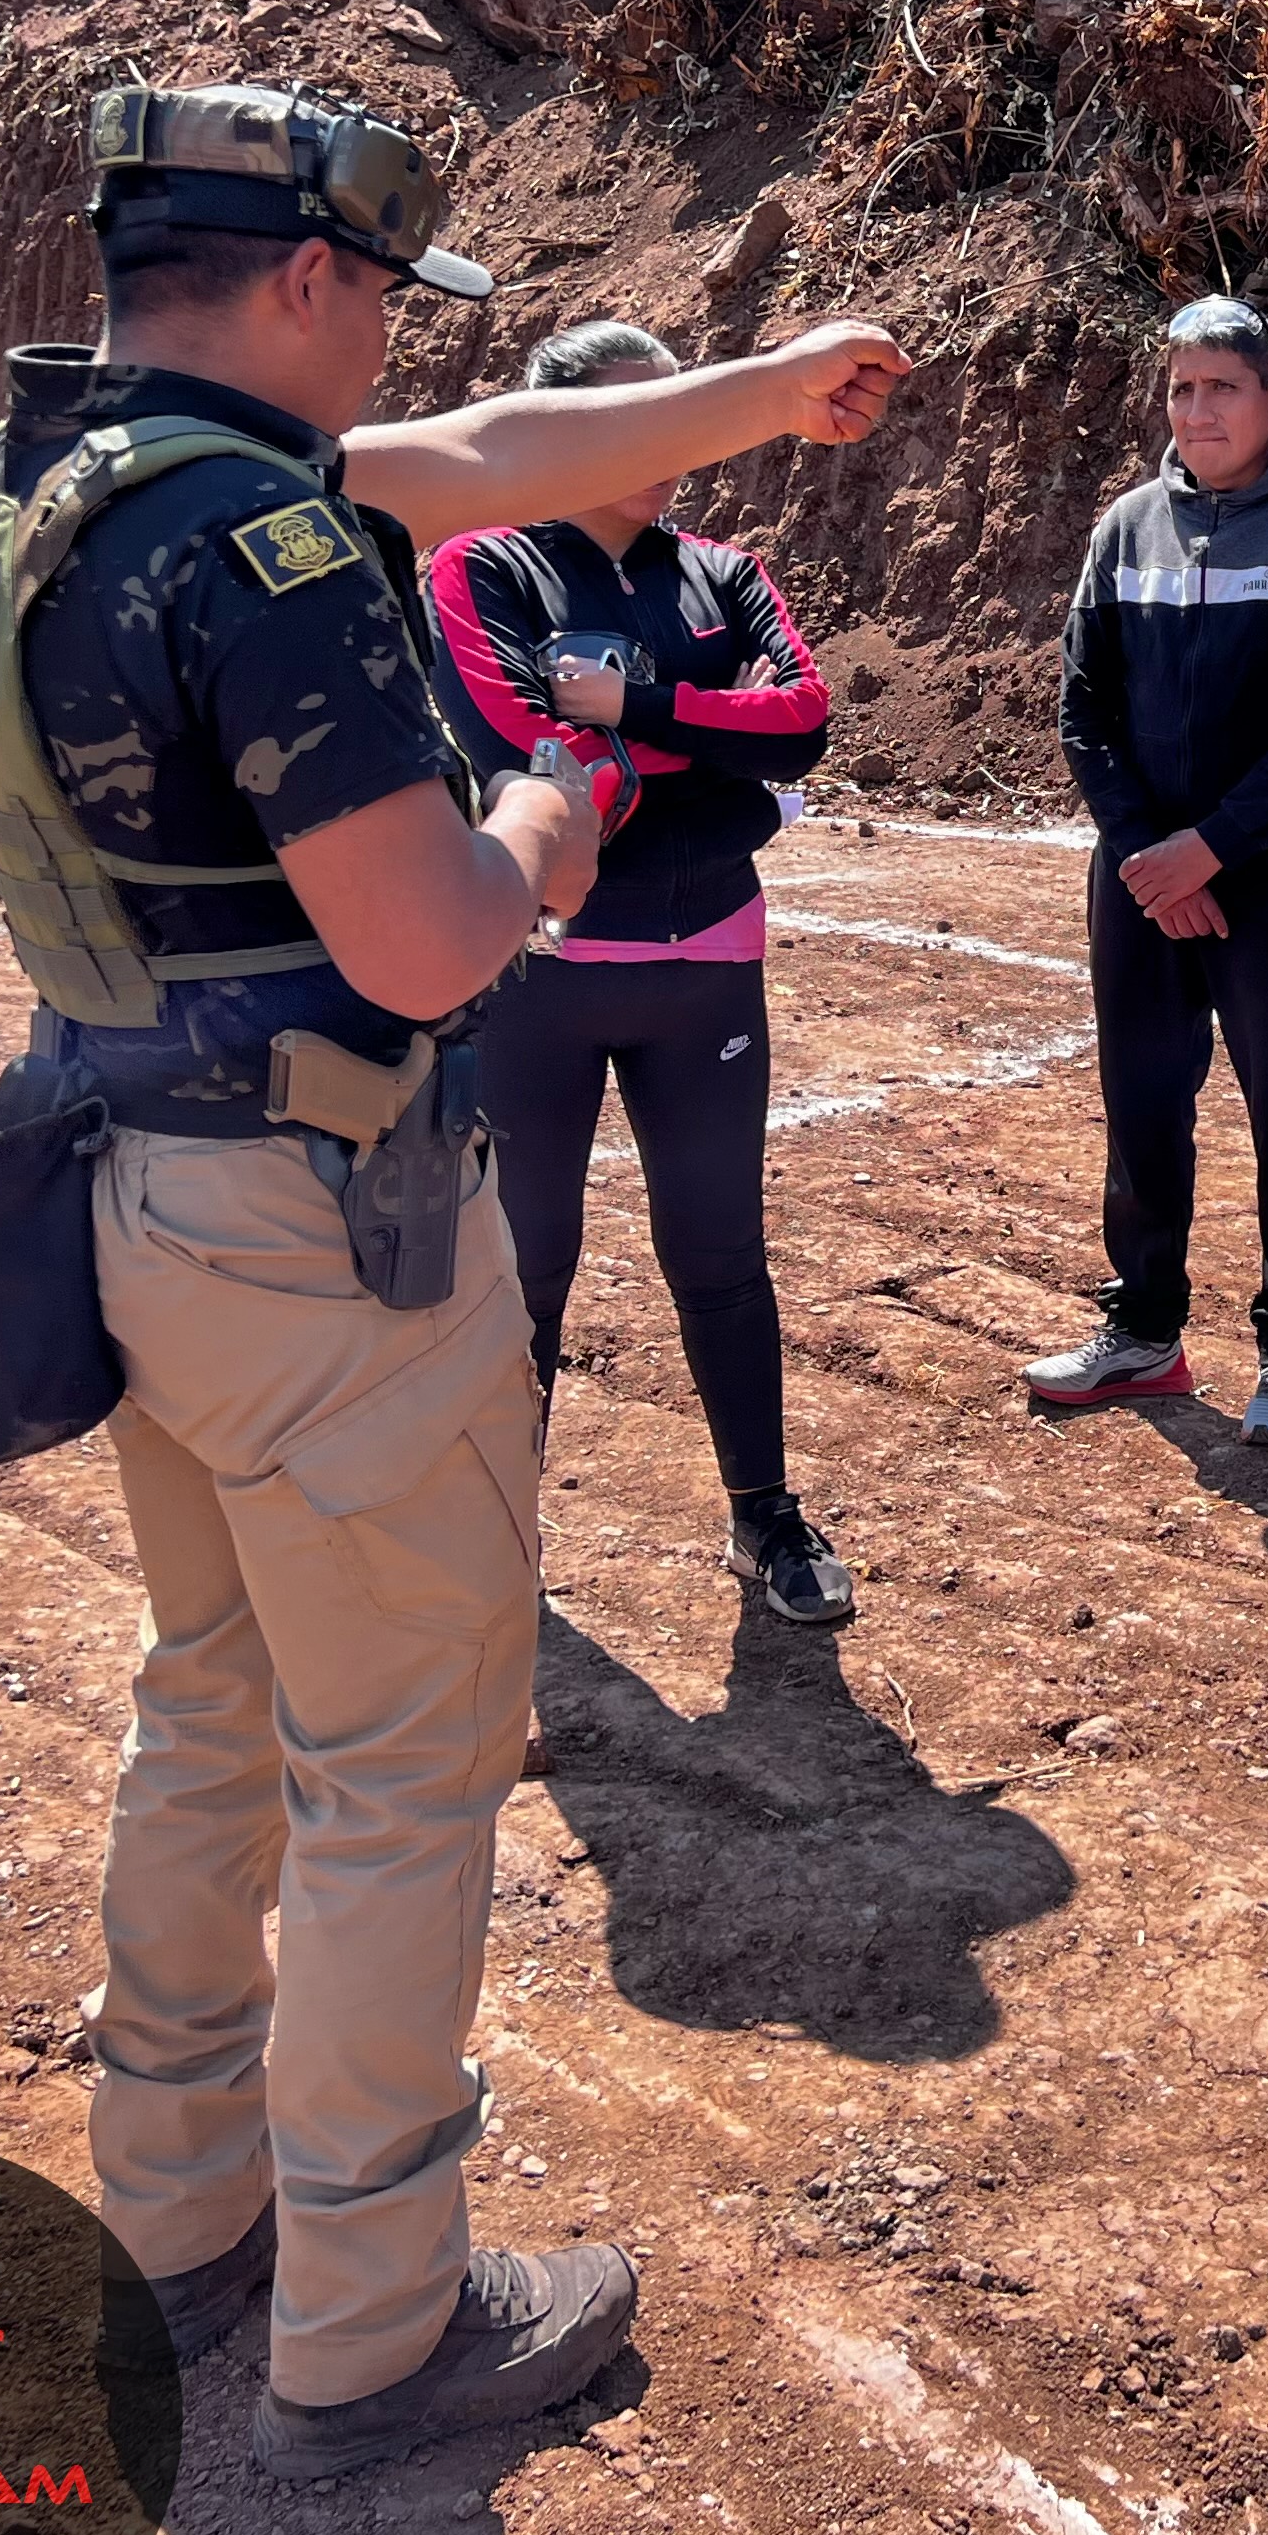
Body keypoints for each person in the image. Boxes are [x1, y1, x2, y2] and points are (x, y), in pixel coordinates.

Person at [0, 78, 904, 2486]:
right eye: (376, 305)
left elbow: (480, 450)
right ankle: (368, 2311)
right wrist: (555, 816)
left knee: (216, 1704)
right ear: (307, 282)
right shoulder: (263, 552)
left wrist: (771, 390)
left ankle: (177, 2214)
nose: (391, 359)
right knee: (400, 1780)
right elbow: (432, 931)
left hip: (129, 1191)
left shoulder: (53, 481)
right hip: (322, 1243)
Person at [425, 318, 847, 1629]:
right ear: (555, 431)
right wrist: (684, 756)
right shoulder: (477, 565)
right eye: (631, 418)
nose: (667, 445)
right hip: (537, 975)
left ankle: (762, 1517)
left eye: (678, 416)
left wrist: (635, 713)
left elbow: (804, 730)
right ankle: (498, 1544)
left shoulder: (724, 569)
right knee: (526, 1268)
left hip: (708, 964)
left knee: (722, 1253)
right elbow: (526, 754)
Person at [1032, 296, 1268, 1444]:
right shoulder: (1126, 526)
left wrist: (1213, 848)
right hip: (1141, 877)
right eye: (1181, 389)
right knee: (1140, 1100)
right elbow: (1082, 705)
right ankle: (1144, 1329)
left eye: (1220, 388)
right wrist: (1150, 852)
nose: (1196, 411)